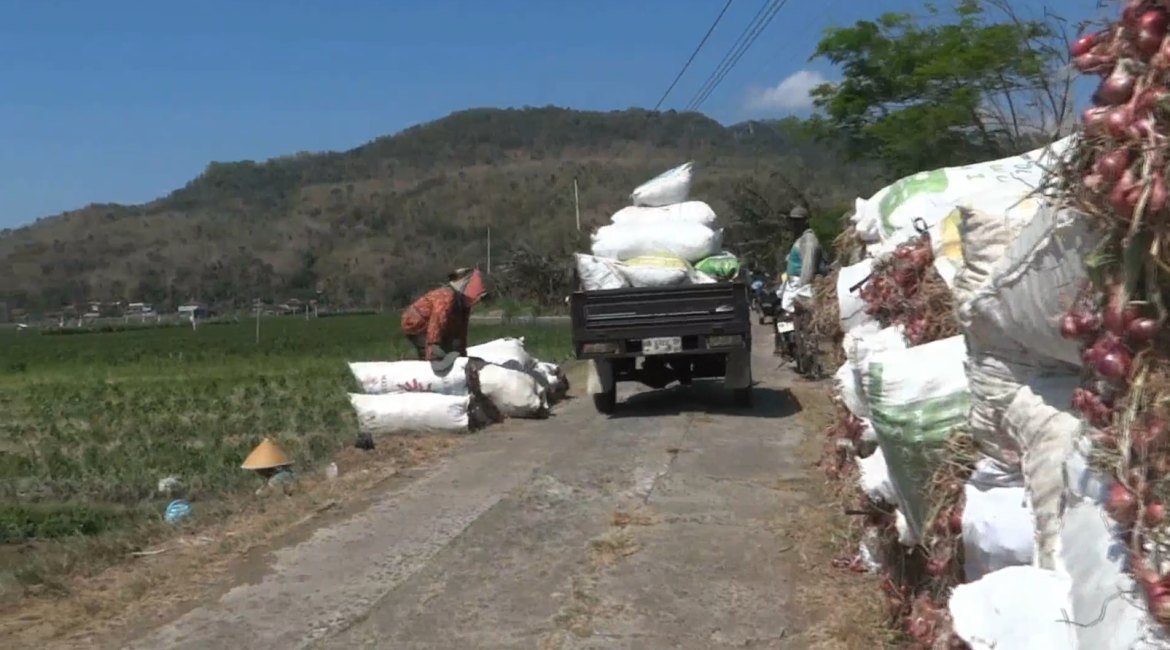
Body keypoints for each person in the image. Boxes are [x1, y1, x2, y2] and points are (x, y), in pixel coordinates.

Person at [400, 268, 488, 373]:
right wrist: (434, 348)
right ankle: (426, 370)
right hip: (416, 323)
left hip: (433, 323)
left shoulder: (463, 305)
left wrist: (462, 354)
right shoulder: (446, 297)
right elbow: (437, 322)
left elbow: (462, 329)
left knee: (450, 346)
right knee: (432, 352)